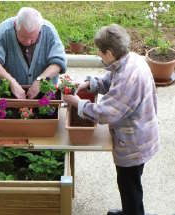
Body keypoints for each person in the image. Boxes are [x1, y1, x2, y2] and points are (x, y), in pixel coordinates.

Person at [63, 24, 159, 215]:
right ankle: (129, 210)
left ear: (109, 52)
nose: (99, 55)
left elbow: (106, 113)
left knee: (129, 185)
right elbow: (109, 81)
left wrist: (77, 102)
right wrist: (88, 84)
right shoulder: (129, 59)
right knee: (129, 183)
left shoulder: (128, 78)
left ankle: (132, 212)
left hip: (134, 143)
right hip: (140, 134)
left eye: (100, 52)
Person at [0, 7, 67, 99]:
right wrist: (11, 82)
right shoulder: (4, 31)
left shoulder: (49, 31)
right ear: (15, 26)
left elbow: (59, 62)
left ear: (40, 29)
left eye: (32, 38)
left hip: (45, 96)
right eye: (23, 37)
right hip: (8, 94)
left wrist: (40, 81)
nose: (27, 42)